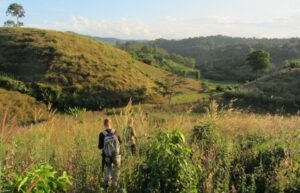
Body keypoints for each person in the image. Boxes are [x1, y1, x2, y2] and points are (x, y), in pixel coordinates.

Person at [98, 118, 122, 189]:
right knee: (117, 170)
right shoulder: (116, 132)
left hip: (107, 156)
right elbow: (120, 142)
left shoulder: (102, 134)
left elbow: (100, 146)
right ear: (111, 123)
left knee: (107, 170)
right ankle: (115, 186)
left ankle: (107, 186)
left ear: (104, 124)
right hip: (116, 155)